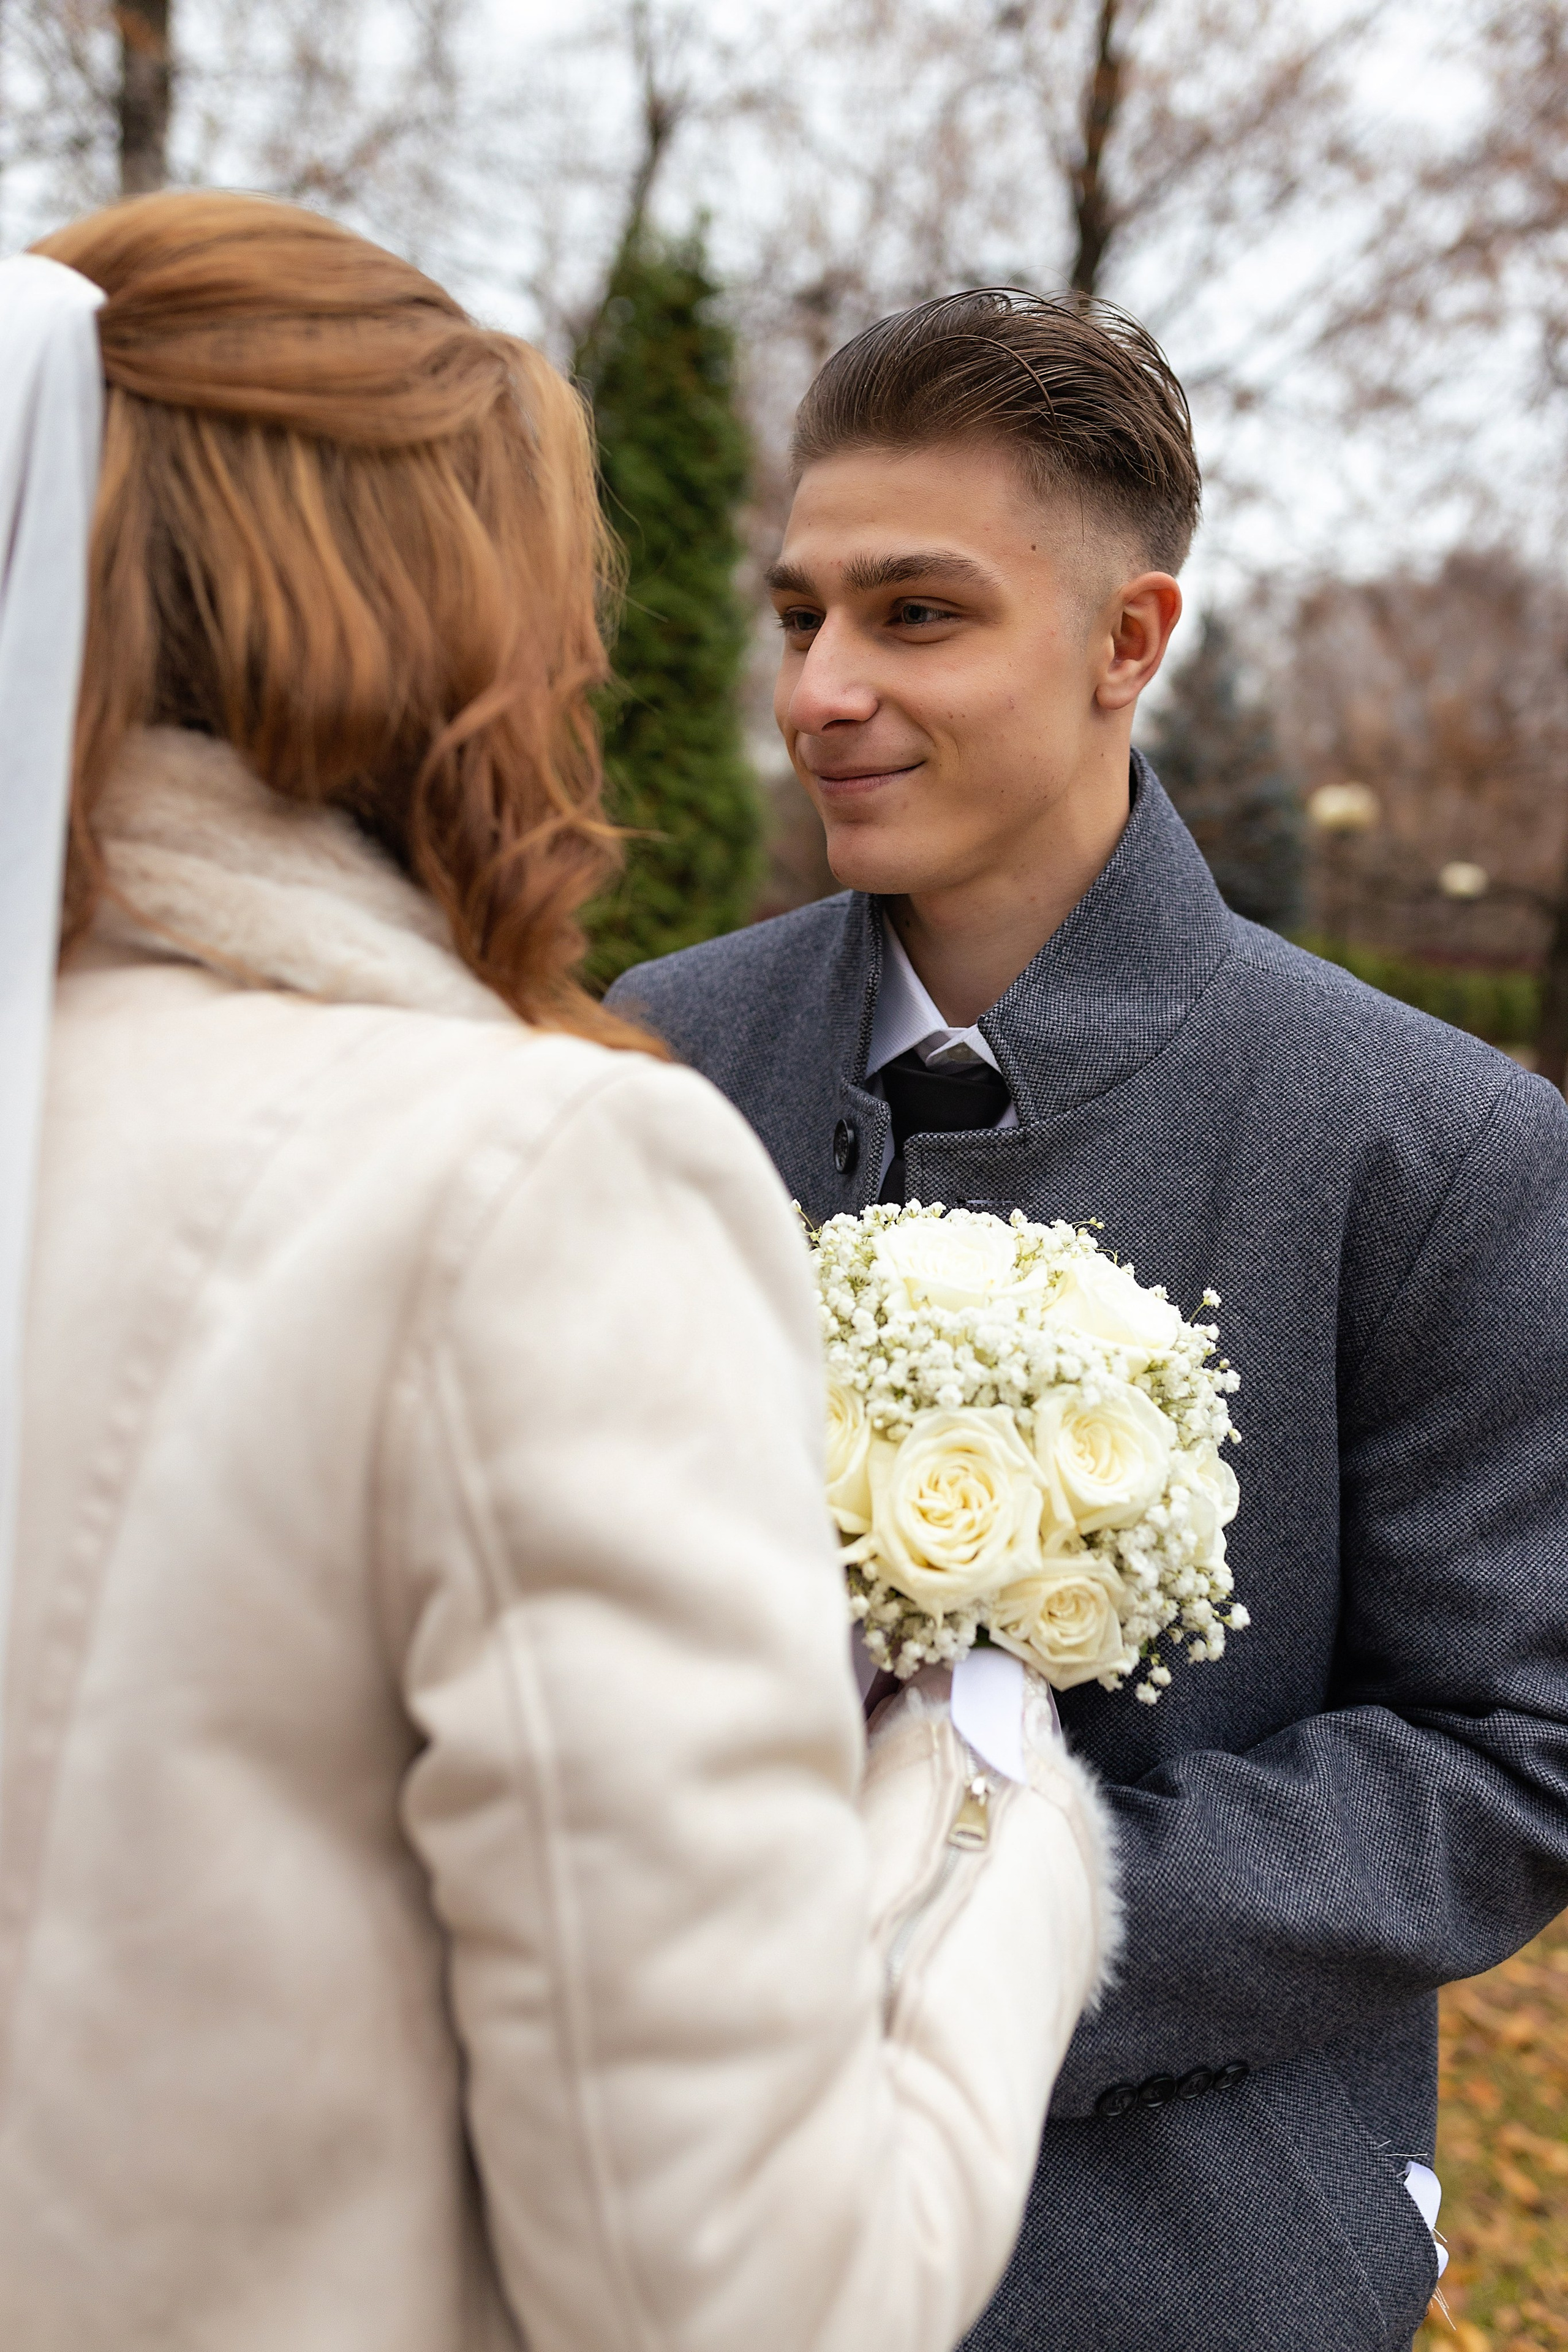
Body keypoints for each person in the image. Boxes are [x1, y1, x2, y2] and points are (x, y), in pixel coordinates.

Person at [0, 203, 1118, 2352]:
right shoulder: (528, 1178)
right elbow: (742, 2299)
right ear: (451, 624)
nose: (807, 689)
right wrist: (1003, 1804)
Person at [606, 289, 1568, 2352]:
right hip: (650, 2230)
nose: (824, 691)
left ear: (1133, 640)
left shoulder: (1438, 1145)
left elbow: (1508, 1752)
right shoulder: (646, 1059)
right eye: (802, 617)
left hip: (1177, 2253)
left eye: (918, 617)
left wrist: (967, 1920)